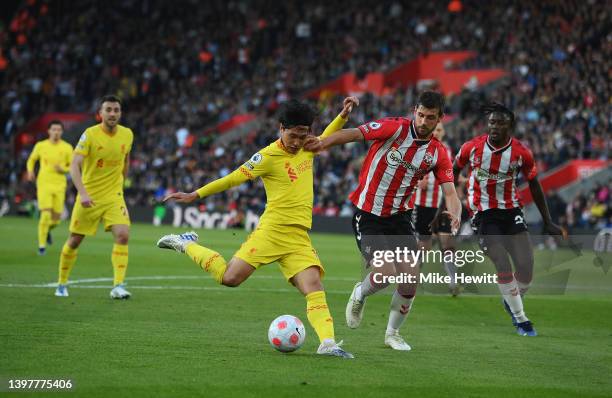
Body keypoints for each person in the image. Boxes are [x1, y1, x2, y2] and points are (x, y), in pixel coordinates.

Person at [157, 97, 359, 358]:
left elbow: (326, 136)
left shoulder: (308, 147)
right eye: (294, 135)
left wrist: (342, 115)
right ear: (281, 128)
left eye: (304, 135)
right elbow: (232, 179)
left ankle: (328, 344)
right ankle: (186, 243)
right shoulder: (266, 156)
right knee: (229, 278)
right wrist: (195, 195)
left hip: (298, 237)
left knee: (314, 287)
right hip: (272, 231)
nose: (298, 142)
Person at [305, 91, 462, 351]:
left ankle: (392, 333)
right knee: (386, 272)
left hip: (399, 218)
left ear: (440, 119)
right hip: (368, 214)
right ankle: (360, 293)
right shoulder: (394, 128)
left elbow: (450, 192)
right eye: (420, 115)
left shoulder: (438, 153)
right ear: (415, 110)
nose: (423, 122)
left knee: (410, 279)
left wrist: (455, 213)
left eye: (430, 118)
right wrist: (323, 143)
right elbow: (354, 133)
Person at [453, 102, 566, 336]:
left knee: (526, 267)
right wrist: (450, 203)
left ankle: (511, 298)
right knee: (502, 262)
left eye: (500, 123)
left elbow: (534, 184)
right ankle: (521, 319)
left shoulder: (521, 153)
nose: (494, 127)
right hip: (483, 215)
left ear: (510, 126)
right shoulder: (471, 148)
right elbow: (452, 172)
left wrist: (548, 221)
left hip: (511, 211)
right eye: (491, 122)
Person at [54, 95, 134, 299]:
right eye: (108, 110)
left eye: (116, 110)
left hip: (114, 196)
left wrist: (122, 184)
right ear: (100, 114)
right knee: (74, 240)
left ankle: (118, 285)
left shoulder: (127, 134)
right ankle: (62, 283)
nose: (113, 113)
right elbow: (74, 165)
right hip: (89, 196)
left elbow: (126, 160)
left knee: (123, 235)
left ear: (120, 113)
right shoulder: (89, 135)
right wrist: (82, 193)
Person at [408, 122, 462, 296]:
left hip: (441, 205)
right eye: (435, 129)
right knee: (424, 245)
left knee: (447, 243)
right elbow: (406, 172)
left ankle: (453, 282)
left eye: (440, 130)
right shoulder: (418, 147)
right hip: (423, 206)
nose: (437, 132)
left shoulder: (447, 151)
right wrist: (417, 182)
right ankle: (412, 278)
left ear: (444, 132)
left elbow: (451, 177)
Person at [26, 120, 73, 255]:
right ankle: (41, 247)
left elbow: (72, 166)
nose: (56, 132)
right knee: (45, 215)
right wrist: (30, 171)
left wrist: (62, 168)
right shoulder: (41, 146)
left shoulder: (67, 147)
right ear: (49, 131)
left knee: (57, 220)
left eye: (59, 130)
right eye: (54, 129)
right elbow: (31, 159)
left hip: (60, 185)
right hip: (44, 184)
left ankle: (47, 231)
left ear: (62, 132)